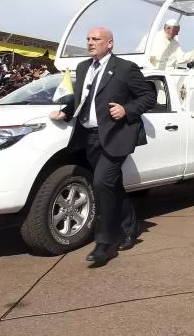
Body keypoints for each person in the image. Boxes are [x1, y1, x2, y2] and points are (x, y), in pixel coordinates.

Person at [50, 27, 157, 267]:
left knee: (101, 183)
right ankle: (132, 227)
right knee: (111, 184)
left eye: (96, 39)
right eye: (88, 39)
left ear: (110, 43)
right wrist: (66, 112)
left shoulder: (125, 68)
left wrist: (126, 110)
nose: (90, 42)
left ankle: (105, 243)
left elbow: (148, 97)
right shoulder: (83, 68)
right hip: (88, 137)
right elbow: (81, 101)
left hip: (116, 136)